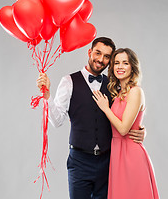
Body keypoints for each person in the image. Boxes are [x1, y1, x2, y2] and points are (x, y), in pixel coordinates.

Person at [37, 37, 145, 199]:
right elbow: (57, 120)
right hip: (79, 161)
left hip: (109, 161)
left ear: (110, 60)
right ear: (90, 52)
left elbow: (126, 114)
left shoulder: (113, 86)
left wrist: (140, 129)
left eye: (107, 56)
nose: (101, 60)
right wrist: (47, 97)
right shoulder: (68, 82)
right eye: (98, 53)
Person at [93, 48, 159, 199]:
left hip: (132, 156)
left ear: (132, 67)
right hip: (117, 154)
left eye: (125, 63)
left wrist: (105, 108)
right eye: (116, 63)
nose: (120, 67)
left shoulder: (136, 91)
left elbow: (123, 129)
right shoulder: (117, 94)